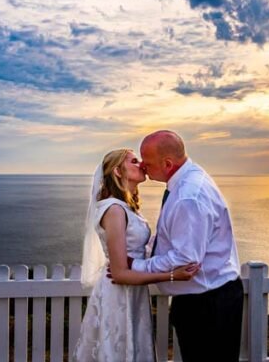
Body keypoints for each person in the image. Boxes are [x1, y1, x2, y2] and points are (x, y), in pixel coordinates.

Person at [74, 148, 200, 362]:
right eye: (133, 161)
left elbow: (139, 250)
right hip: (119, 292)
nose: (141, 163)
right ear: (117, 171)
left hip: (133, 292)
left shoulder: (126, 207)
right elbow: (120, 273)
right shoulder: (114, 210)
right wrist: (172, 275)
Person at [129, 130, 243, 361]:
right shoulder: (186, 180)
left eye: (147, 163)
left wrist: (138, 266)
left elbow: (185, 260)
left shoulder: (188, 197)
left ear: (168, 163)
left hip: (208, 304)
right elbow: (173, 237)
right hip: (205, 298)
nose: (143, 166)